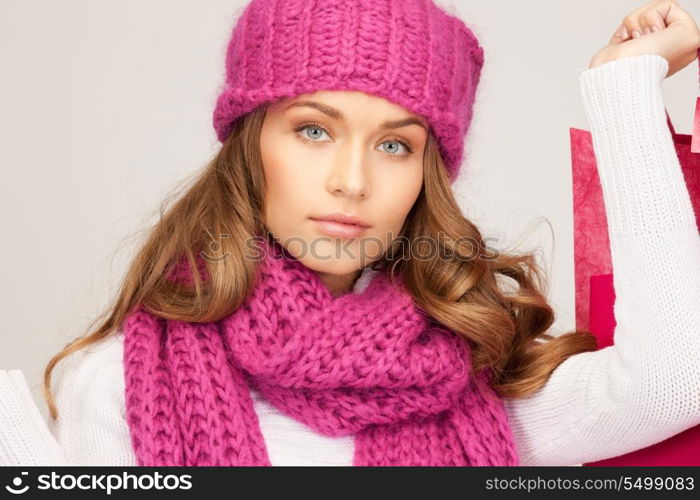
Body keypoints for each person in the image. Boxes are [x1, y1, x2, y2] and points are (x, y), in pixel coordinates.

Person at [1, 0, 699, 466]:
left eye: (395, 145)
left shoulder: (476, 371)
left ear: (428, 174)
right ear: (252, 144)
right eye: (313, 130)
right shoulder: (124, 381)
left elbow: (675, 385)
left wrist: (624, 91)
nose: (352, 181)